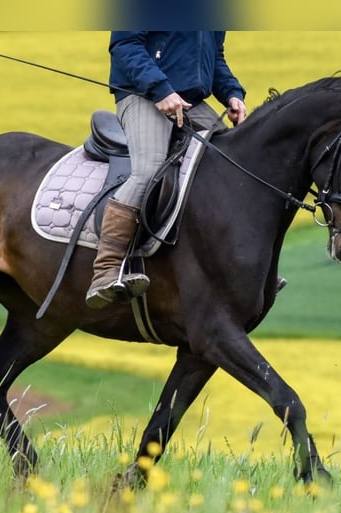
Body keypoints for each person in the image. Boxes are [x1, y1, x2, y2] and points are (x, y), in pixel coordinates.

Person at [85, 31, 247, 309]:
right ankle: (106, 269)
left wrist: (232, 93)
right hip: (142, 95)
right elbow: (124, 46)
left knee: (233, 169)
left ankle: (241, 264)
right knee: (148, 169)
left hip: (190, 103)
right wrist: (160, 89)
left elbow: (214, 59)